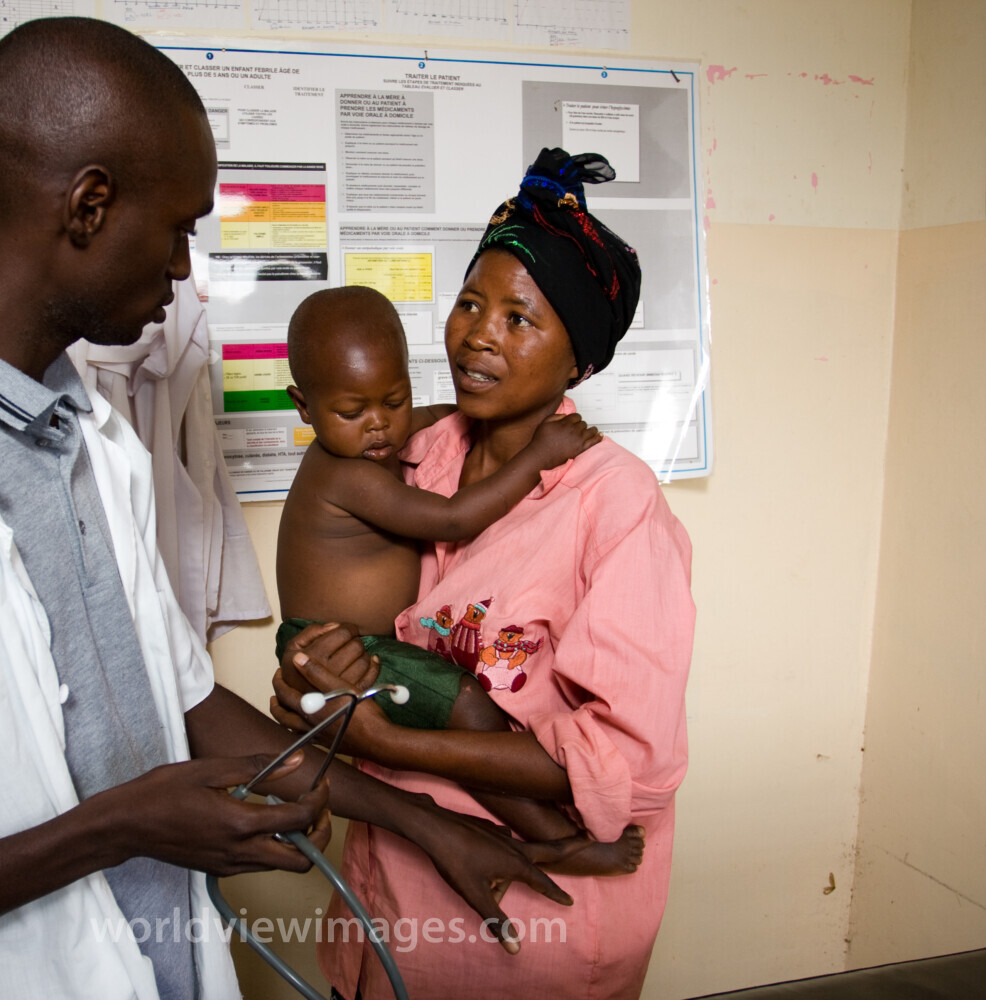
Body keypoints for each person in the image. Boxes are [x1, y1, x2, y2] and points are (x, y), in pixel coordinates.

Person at [0, 21, 571, 1000]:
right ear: (89, 205)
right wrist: (119, 824)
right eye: (179, 229)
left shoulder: (88, 437)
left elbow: (187, 702)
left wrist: (425, 822)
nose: (184, 269)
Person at [273, 149, 695, 999]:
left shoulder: (616, 506)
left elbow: (628, 764)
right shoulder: (411, 455)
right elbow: (334, 646)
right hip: (387, 911)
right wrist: (312, 687)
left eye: (518, 318)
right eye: (470, 302)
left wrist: (387, 741)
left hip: (526, 940)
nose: (478, 335)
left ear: (578, 361)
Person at [275, 285, 643, 874]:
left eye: (394, 402)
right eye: (353, 412)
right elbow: (453, 517)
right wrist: (537, 455)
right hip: (348, 650)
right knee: (470, 710)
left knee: (462, 718)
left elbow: (436, 417)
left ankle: (539, 835)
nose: (379, 428)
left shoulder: (380, 437)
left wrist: (488, 410)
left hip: (366, 645)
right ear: (303, 407)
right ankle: (558, 841)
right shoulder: (345, 472)